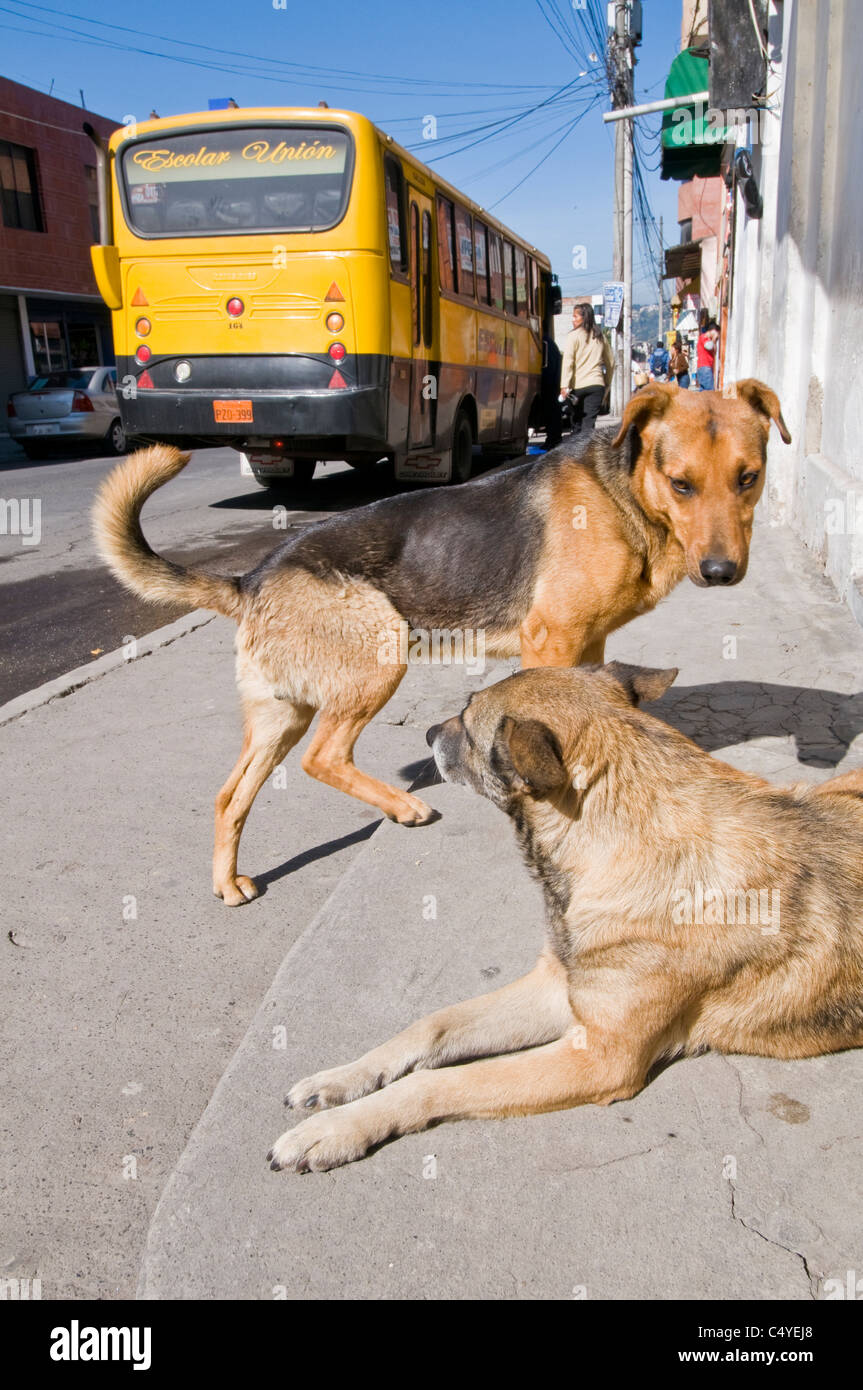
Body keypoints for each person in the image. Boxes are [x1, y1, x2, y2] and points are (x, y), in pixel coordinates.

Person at [560, 302, 614, 441]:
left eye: (575, 316)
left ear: (584, 318)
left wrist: (564, 385)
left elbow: (568, 362)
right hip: (596, 385)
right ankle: (586, 457)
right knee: (589, 425)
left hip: (577, 387)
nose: (573, 320)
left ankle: (577, 457)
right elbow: (610, 362)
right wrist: (607, 382)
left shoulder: (574, 336)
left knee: (577, 423)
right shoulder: (600, 336)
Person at [540, 329, 563, 449]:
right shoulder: (548, 342)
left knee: (552, 412)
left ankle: (553, 439)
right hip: (554, 382)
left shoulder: (545, 343)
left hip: (551, 382)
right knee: (553, 412)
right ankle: (553, 438)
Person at [696, 318, 718, 391]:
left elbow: (714, 351)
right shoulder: (704, 337)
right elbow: (709, 346)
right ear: (712, 330)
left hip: (704, 367)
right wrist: (713, 340)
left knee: (703, 392)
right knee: (709, 392)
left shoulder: (707, 339)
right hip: (705, 367)